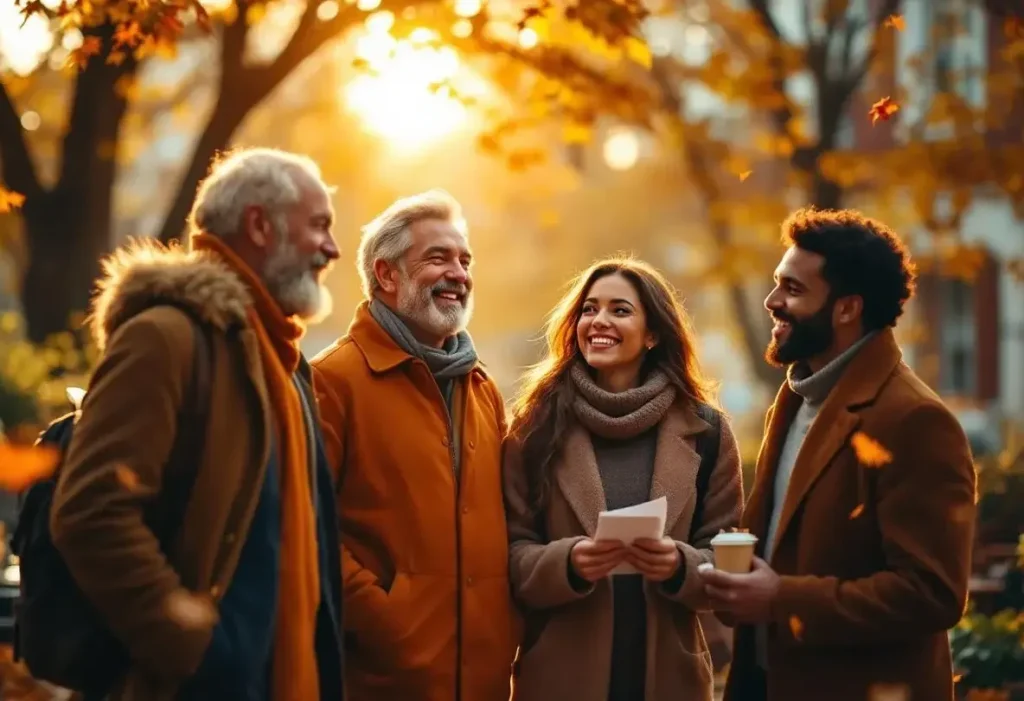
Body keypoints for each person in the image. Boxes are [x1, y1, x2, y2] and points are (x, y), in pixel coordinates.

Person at [49, 147, 345, 701]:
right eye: (320, 226)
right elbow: (91, 512)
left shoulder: (282, 360)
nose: (332, 248)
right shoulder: (165, 338)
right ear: (260, 224)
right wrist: (192, 648)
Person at [701, 208, 977, 701]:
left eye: (793, 289)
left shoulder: (915, 421)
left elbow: (931, 594)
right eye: (776, 283)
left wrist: (779, 598)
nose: (772, 301)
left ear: (847, 309)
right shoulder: (794, 398)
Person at [502, 257, 744, 701]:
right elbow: (509, 556)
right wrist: (570, 562)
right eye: (589, 309)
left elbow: (729, 560)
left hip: (669, 680)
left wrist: (680, 566)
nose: (598, 321)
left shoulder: (707, 431)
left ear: (653, 334)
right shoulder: (533, 428)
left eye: (620, 310)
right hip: (560, 681)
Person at [311, 190, 519, 701]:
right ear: (387, 276)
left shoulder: (482, 389)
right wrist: (385, 620)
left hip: (487, 684)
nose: (459, 274)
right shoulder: (332, 381)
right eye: (438, 258)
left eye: (465, 260)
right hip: (381, 680)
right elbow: (307, 528)